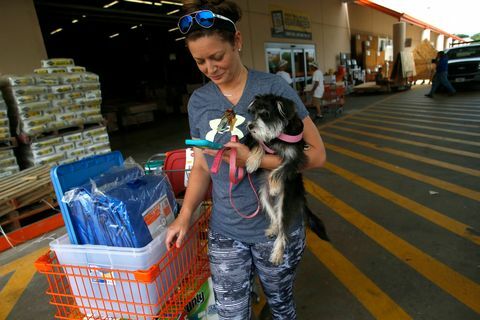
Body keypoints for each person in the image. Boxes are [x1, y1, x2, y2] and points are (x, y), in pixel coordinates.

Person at [165, 1, 326, 319]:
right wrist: (184, 216)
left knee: (280, 305)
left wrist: (254, 159)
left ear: (237, 41)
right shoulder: (199, 102)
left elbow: (317, 155)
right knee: (231, 312)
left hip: (277, 228)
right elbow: (201, 166)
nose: (210, 68)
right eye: (200, 61)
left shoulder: (273, 89)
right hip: (226, 229)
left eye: (217, 56)